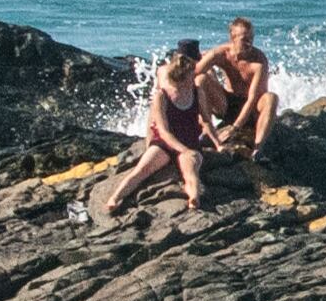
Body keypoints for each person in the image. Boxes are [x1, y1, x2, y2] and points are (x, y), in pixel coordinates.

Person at [92, 39, 212, 221]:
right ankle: (115, 198)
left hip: (190, 143)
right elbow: (162, 131)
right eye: (189, 75)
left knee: (190, 172)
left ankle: (193, 199)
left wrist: (217, 144)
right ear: (180, 76)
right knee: (141, 170)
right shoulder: (162, 96)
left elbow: (207, 121)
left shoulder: (197, 92)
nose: (192, 78)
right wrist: (178, 149)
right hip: (167, 143)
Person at [200, 15, 280, 158]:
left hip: (251, 109)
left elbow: (252, 98)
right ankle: (206, 130)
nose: (249, 43)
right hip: (227, 105)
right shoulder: (221, 53)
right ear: (233, 38)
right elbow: (193, 73)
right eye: (244, 39)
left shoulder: (258, 62)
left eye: (251, 38)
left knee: (271, 98)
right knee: (201, 79)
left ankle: (258, 149)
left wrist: (235, 127)